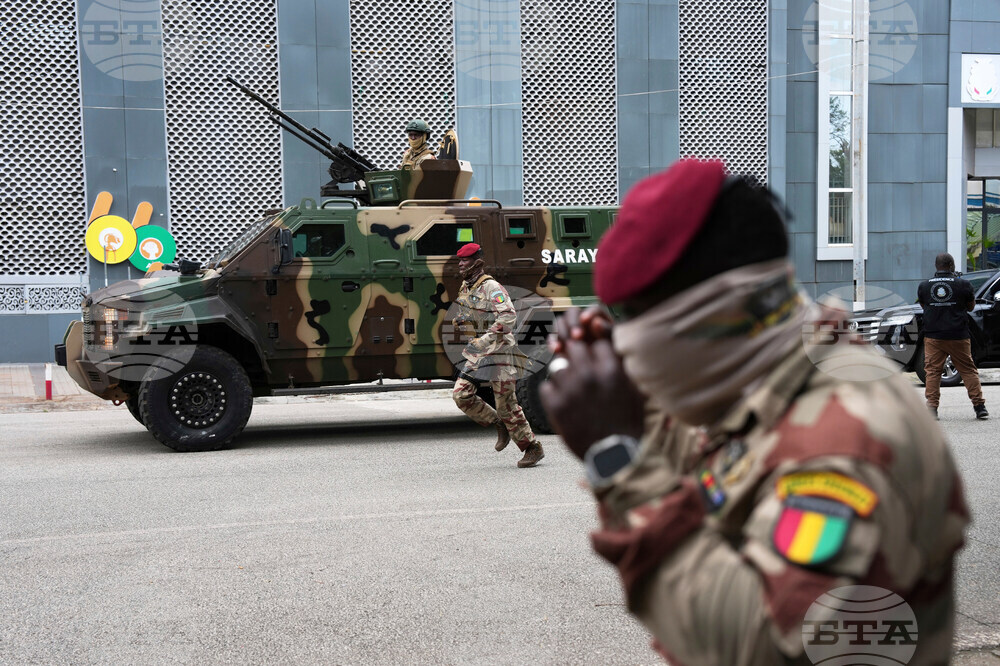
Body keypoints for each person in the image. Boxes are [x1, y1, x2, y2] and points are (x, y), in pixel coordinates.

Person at [540, 159, 968, 665]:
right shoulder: (776, 382)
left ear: (715, 311)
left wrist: (616, 457)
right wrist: (626, 404)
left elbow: (768, 647)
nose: (627, 340)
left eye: (634, 317)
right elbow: (722, 460)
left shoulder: (845, 443)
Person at [452, 242, 544, 468]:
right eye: (460, 260)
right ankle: (497, 423)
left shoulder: (491, 287)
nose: (460, 264)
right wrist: (462, 320)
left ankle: (532, 447)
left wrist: (485, 339)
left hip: (499, 351)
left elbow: (508, 317)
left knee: (506, 405)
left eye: (464, 260)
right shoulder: (466, 287)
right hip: (479, 353)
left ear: (476, 262)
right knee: (461, 395)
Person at [917, 253, 988, 420]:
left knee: (933, 372)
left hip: (933, 336)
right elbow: (971, 307)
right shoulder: (963, 284)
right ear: (951, 265)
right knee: (968, 370)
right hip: (958, 335)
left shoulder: (924, 286)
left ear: (937, 266)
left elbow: (924, 306)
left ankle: (932, 409)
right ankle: (979, 407)